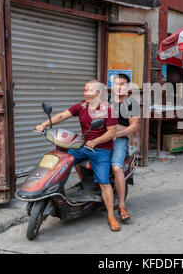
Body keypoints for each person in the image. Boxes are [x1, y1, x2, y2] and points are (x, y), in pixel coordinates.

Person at [35, 80, 121, 232]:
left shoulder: (109, 110)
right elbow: (62, 115)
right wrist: (44, 124)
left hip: (102, 149)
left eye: (89, 90)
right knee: (64, 159)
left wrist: (95, 141)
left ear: (98, 93)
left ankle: (111, 216)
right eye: (85, 90)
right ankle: (81, 185)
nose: (85, 93)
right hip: (84, 146)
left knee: (103, 183)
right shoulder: (81, 106)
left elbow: (111, 132)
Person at [108, 74, 140, 222]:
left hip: (120, 139)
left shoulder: (132, 103)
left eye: (122, 84)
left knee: (116, 168)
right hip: (105, 136)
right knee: (77, 155)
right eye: (116, 84)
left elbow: (133, 127)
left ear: (127, 87)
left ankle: (121, 205)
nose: (119, 87)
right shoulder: (108, 101)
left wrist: (117, 133)